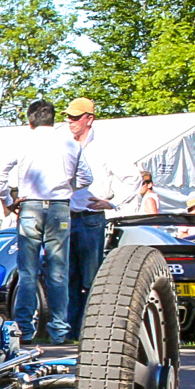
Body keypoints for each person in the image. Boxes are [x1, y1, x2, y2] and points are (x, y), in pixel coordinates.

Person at [0, 100, 92, 343]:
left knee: (28, 272)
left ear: (30, 121)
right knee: (58, 271)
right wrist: (68, 188)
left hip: (30, 206)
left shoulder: (22, 142)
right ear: (53, 119)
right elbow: (86, 177)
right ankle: (58, 331)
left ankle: (25, 329)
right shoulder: (70, 142)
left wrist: (8, 200)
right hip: (59, 207)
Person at [64, 98, 117, 339]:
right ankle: (69, 330)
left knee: (90, 278)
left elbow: (133, 178)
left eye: (76, 117)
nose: (70, 121)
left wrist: (113, 202)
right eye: (69, 117)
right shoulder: (64, 145)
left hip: (90, 218)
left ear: (89, 119)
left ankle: (92, 330)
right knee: (66, 277)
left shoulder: (105, 147)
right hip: (66, 218)